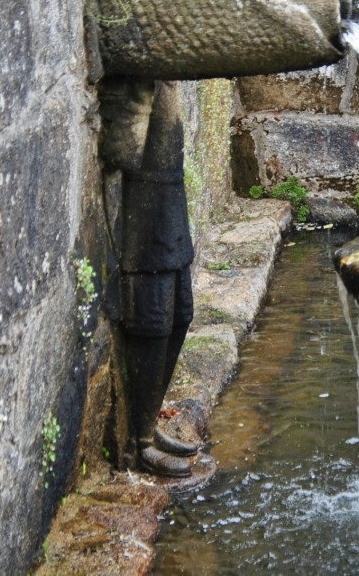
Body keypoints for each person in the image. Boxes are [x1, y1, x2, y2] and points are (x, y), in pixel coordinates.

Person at [100, 78, 199, 477]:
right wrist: (138, 99)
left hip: (171, 214)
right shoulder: (143, 79)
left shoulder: (165, 80)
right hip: (146, 223)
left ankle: (151, 420)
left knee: (182, 316)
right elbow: (121, 151)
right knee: (153, 324)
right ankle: (140, 441)